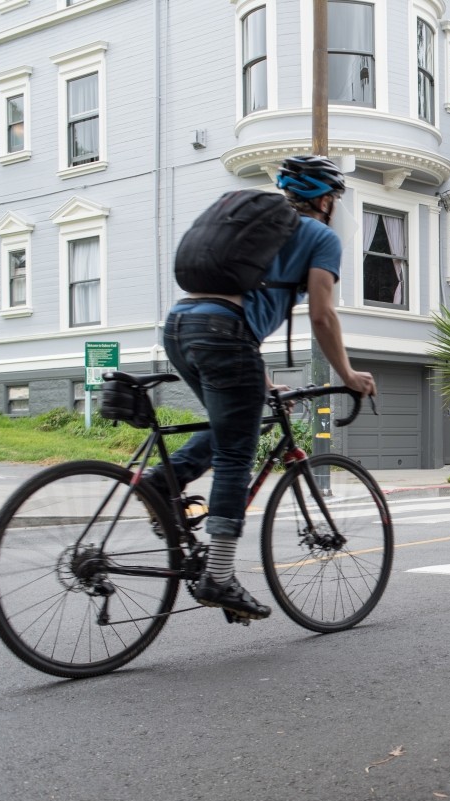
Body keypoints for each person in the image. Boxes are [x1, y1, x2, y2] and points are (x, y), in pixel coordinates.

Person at [151, 155, 377, 621]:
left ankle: (163, 481)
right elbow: (322, 315)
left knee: (234, 421)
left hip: (180, 326)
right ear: (327, 200)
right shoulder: (319, 236)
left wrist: (261, 378)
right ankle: (218, 573)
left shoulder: (255, 230)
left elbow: (240, 303)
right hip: (223, 335)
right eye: (336, 198)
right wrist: (348, 376)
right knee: (239, 449)